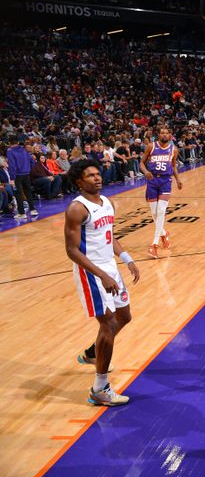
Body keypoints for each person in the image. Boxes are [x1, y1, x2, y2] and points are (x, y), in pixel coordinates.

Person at [64, 159, 140, 406]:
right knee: (108, 324)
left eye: (98, 174)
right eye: (90, 175)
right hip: (91, 273)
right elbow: (72, 250)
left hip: (110, 268)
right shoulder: (77, 209)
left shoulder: (107, 202)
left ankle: (92, 352)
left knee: (124, 317)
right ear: (79, 181)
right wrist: (102, 275)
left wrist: (127, 259)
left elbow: (110, 236)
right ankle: (100, 389)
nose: (97, 178)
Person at [141, 127, 183, 259]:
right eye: (162, 133)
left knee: (160, 212)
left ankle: (154, 245)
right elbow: (141, 163)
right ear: (158, 135)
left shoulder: (174, 149)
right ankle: (164, 234)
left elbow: (173, 166)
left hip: (165, 181)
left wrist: (178, 179)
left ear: (170, 135)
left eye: (167, 133)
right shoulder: (151, 146)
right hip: (152, 180)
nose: (164, 135)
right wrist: (145, 171)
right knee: (154, 213)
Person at [7, 135, 37, 219]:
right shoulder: (24, 150)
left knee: (18, 194)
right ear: (17, 142)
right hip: (26, 174)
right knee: (28, 192)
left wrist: (12, 178)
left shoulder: (10, 151)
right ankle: (33, 210)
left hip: (17, 175)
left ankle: (22, 213)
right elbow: (32, 161)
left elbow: (12, 166)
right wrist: (27, 169)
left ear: (9, 143)